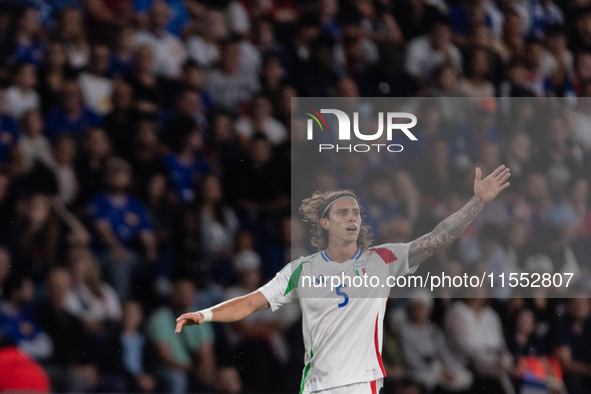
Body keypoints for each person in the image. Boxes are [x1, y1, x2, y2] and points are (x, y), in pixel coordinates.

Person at [176, 164, 511, 393]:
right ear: (325, 224)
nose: (352, 217)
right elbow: (250, 302)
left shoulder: (382, 259)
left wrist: (476, 204)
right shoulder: (301, 270)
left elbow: (438, 237)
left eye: (355, 212)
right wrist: (206, 315)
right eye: (342, 212)